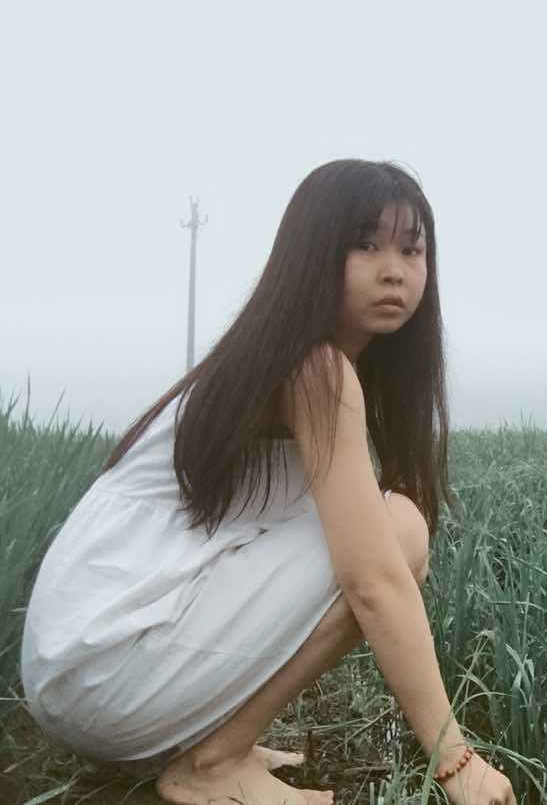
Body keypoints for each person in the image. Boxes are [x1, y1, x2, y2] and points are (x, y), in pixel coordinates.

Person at [20, 159, 517, 805]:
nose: (393, 269)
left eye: (411, 249)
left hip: (81, 674)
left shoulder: (287, 364)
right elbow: (373, 583)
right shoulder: (315, 371)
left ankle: (216, 743)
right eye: (365, 245)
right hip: (102, 671)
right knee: (397, 534)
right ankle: (213, 761)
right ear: (312, 253)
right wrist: (455, 762)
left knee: (381, 530)